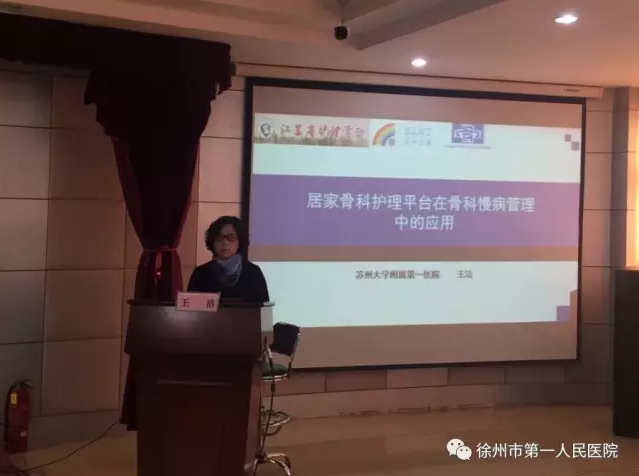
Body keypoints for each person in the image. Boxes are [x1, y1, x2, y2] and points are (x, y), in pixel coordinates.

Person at [188, 215, 270, 303]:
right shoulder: (200, 273)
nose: (225, 242)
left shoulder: (253, 272)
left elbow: (263, 306)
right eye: (219, 238)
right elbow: (191, 306)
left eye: (231, 238)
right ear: (212, 241)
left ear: (240, 241)